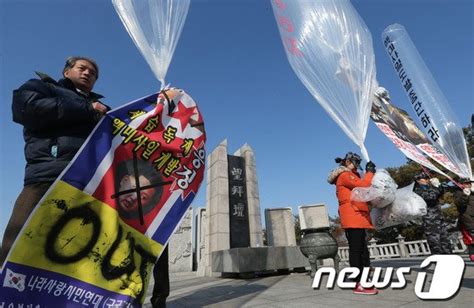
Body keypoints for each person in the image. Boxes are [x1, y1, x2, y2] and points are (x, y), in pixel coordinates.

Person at [0, 56, 108, 266]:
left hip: (87, 186)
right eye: (82, 68)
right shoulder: (43, 87)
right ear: (66, 72)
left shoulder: (101, 110)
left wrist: (164, 105)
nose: (87, 73)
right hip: (46, 177)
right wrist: (87, 109)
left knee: (73, 252)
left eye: (92, 73)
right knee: (18, 244)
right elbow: (26, 107)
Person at [327, 152, 378, 295]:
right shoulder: (344, 175)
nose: (357, 165)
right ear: (348, 161)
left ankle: (364, 279)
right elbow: (363, 185)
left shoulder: (353, 175)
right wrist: (369, 173)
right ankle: (358, 282)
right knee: (356, 249)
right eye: (355, 162)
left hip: (358, 215)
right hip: (352, 215)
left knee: (362, 249)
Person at [412, 172, 452, 255]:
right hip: (430, 219)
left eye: (427, 178)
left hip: (439, 217)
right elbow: (430, 197)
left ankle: (449, 257)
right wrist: (437, 187)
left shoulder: (430, 187)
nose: (427, 180)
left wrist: (442, 188)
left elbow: (438, 195)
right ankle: (439, 260)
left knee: (445, 239)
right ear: (418, 180)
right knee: (435, 242)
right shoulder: (417, 190)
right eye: (425, 178)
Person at [453, 178, 474, 261]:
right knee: (471, 238)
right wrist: (465, 195)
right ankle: (472, 254)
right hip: (468, 219)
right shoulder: (458, 192)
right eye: (466, 183)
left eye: (469, 183)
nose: (468, 184)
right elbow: (460, 203)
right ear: (461, 184)